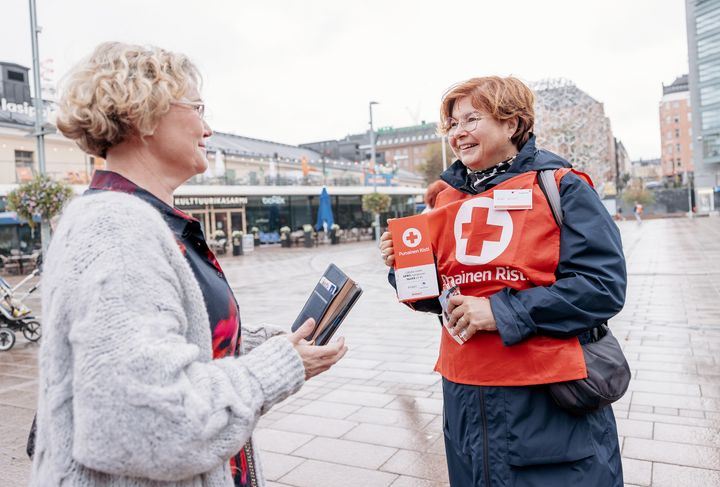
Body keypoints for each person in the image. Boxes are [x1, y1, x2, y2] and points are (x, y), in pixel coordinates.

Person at [31, 42, 347, 487]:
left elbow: (170, 343)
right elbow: (151, 426)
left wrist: (266, 346)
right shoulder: (117, 227)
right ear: (145, 113)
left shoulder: (138, 216)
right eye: (197, 107)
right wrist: (276, 368)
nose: (208, 128)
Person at [379, 76, 626, 486]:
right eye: (453, 124)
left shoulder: (562, 186)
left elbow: (602, 287)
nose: (458, 133)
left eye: (471, 119)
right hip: (464, 396)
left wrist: (499, 310)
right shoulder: (445, 199)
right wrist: (403, 267)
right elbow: (431, 295)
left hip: (545, 397)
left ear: (511, 124)